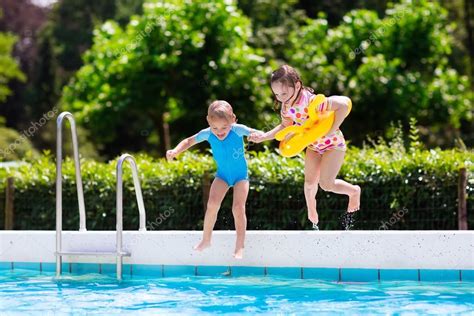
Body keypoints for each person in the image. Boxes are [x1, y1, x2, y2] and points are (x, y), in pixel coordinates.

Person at [249, 65, 361, 230]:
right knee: (309, 184)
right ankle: (312, 210)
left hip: (333, 144)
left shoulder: (312, 102)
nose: (280, 98)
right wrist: (264, 136)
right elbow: (284, 126)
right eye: (277, 94)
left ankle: (354, 191)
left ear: (298, 85)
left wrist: (331, 129)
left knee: (326, 184)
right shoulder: (286, 107)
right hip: (314, 146)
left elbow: (344, 105)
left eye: (284, 93)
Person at [167, 100, 258, 258]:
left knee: (238, 208)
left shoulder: (238, 130)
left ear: (233, 120)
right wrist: (175, 151)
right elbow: (189, 141)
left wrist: (260, 135)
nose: (219, 131)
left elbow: (258, 134)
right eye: (215, 127)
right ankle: (206, 240)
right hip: (222, 176)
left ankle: (239, 246)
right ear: (209, 122)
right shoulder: (208, 133)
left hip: (240, 177)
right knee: (212, 204)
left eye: (224, 127)